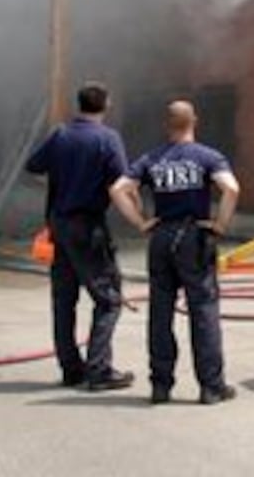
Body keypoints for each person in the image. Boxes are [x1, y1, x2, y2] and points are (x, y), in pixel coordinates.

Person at [110, 100, 240, 405]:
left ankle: (161, 386)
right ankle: (211, 387)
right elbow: (231, 189)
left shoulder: (151, 159)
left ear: (167, 124)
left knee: (160, 313)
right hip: (195, 237)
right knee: (203, 312)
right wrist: (220, 224)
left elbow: (118, 189)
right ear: (194, 121)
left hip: (161, 237)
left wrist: (141, 223)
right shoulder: (208, 157)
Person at [24, 81, 133, 391]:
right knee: (109, 300)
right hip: (88, 227)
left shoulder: (60, 134)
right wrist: (140, 216)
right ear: (106, 105)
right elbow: (121, 182)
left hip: (59, 225)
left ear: (80, 104)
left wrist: (60, 184)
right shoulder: (108, 139)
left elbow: (33, 166)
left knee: (64, 299)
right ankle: (99, 370)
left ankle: (71, 369)